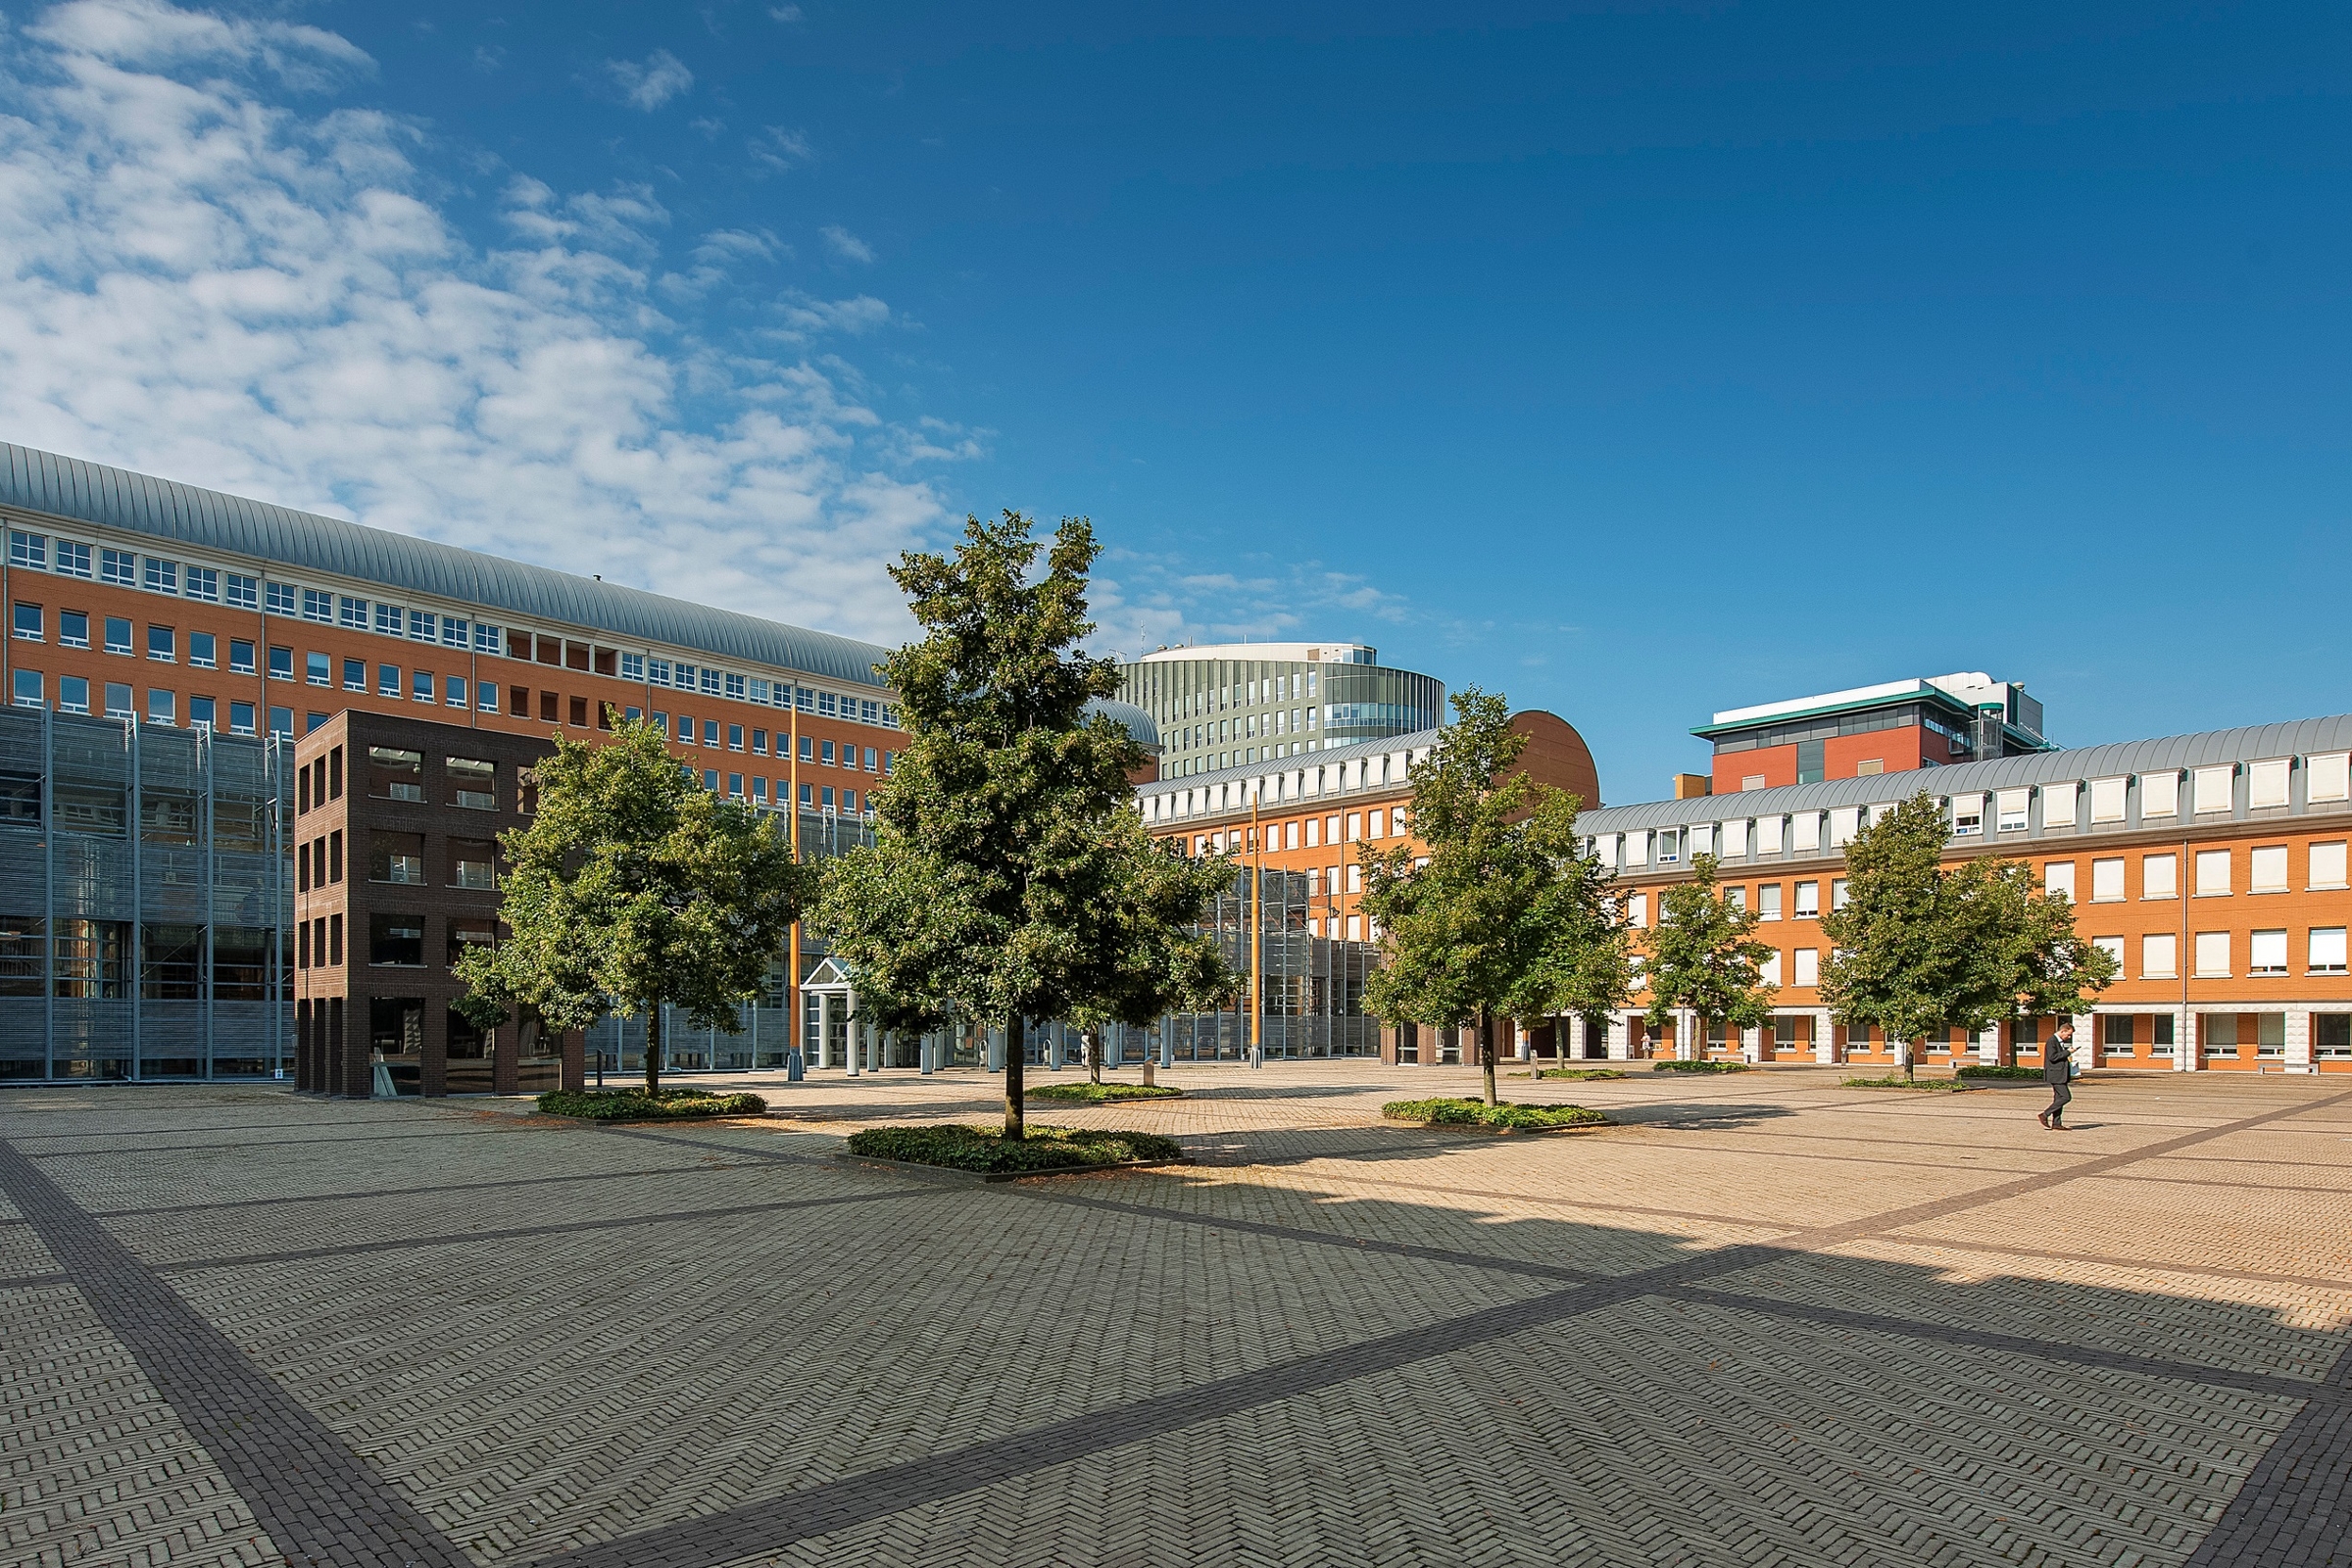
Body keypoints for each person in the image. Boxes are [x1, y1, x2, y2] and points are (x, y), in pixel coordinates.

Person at [2038, 1020, 2077, 1130]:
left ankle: (2056, 1123)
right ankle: (2045, 1114)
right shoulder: (2052, 1041)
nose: (2069, 1037)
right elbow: (2053, 1057)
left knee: (2058, 1099)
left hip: (2060, 1074)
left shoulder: (2059, 1042)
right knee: (2066, 1097)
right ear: (2062, 1031)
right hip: (2056, 1075)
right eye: (2068, 1034)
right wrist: (2068, 1052)